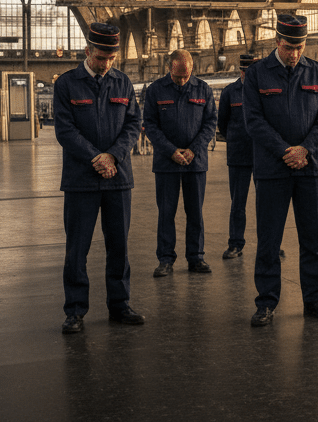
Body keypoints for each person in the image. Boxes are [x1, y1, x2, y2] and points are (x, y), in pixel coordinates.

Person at [241, 15, 318, 327]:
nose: (293, 53)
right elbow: (253, 121)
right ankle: (266, 302)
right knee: (269, 240)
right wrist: (286, 151)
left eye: (299, 47)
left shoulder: (316, 70)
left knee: (313, 240)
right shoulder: (257, 74)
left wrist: (305, 149)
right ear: (276, 42)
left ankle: (315, 299)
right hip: (273, 170)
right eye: (287, 47)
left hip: (310, 169)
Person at [53, 23, 145, 334]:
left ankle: (120, 304)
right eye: (101, 57)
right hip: (81, 179)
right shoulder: (67, 84)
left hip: (118, 178)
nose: (106, 63)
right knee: (77, 248)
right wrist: (96, 157)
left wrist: (113, 156)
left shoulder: (123, 83)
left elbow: (133, 124)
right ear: (88, 50)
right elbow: (65, 130)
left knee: (118, 245)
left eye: (111, 58)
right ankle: (75, 311)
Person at [142, 49, 217, 277]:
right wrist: (171, 151)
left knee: (195, 212)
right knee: (166, 212)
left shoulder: (203, 89)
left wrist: (194, 149)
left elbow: (210, 122)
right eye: (178, 77)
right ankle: (165, 259)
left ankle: (196, 258)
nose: (182, 81)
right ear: (169, 68)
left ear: (192, 68)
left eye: (186, 76)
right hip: (167, 163)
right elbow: (150, 125)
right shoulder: (156, 90)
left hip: (196, 163)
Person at [218, 54, 256, 260]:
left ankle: (271, 244)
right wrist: (235, 138)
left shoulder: (263, 90)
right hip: (238, 155)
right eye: (247, 73)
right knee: (238, 204)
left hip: (262, 155)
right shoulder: (229, 92)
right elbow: (222, 123)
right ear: (241, 72)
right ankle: (235, 244)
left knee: (267, 203)